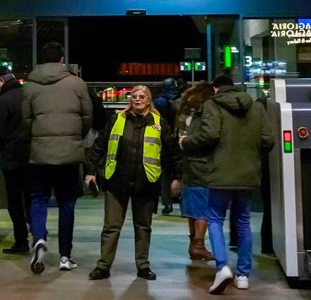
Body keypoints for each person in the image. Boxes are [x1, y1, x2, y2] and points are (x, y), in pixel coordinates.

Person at [181, 75, 275, 294]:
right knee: (243, 222)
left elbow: (209, 135)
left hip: (220, 173)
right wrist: (252, 155)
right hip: (248, 173)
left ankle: (222, 266)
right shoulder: (256, 107)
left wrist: (186, 142)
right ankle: (243, 275)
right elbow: (268, 139)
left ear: (215, 88)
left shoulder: (212, 105)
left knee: (214, 218)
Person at [85, 84, 175, 281]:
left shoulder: (160, 124)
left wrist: (177, 178)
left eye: (142, 96)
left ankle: (143, 266)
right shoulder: (116, 120)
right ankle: (103, 266)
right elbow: (99, 146)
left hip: (146, 183)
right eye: (134, 96)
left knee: (143, 226)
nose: (137, 99)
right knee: (111, 226)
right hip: (117, 182)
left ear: (149, 100)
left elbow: (171, 152)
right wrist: (90, 171)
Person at [23, 42, 90, 273]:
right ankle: (65, 256)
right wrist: (74, 136)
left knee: (38, 198)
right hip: (69, 154)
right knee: (67, 202)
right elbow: (87, 115)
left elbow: (26, 120)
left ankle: (39, 237)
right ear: (62, 59)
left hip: (39, 152)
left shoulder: (30, 85)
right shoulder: (77, 83)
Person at [0, 66, 32, 254]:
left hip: (12, 159)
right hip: (32, 156)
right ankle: (38, 237)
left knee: (14, 201)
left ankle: (21, 241)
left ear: (2, 81)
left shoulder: (4, 100)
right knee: (32, 199)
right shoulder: (28, 95)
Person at [173, 82, 216, 262]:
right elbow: (207, 137)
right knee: (203, 208)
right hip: (203, 164)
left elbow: (179, 137)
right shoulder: (204, 111)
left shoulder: (183, 110)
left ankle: (194, 244)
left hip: (187, 164)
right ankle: (199, 245)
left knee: (192, 207)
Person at [154, 78, 181, 214]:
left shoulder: (158, 102)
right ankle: (183, 204)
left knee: (164, 173)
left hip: (162, 140)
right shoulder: (181, 101)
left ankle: (167, 203)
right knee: (180, 171)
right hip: (179, 139)